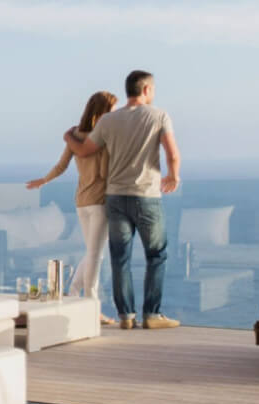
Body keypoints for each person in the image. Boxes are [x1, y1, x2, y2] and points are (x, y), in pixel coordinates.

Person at [63, 70, 181, 330]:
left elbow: (83, 150)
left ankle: (126, 316)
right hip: (146, 196)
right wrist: (174, 176)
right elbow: (172, 153)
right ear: (147, 89)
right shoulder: (159, 116)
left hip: (115, 197)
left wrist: (69, 137)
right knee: (156, 254)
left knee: (120, 258)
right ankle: (152, 315)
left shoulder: (108, 121)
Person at [26, 90, 118, 325]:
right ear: (104, 111)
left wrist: (43, 181)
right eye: (113, 110)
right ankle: (91, 307)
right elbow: (105, 172)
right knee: (96, 255)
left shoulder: (76, 135)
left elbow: (62, 165)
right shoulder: (104, 136)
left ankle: (73, 294)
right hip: (100, 202)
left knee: (91, 252)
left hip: (81, 202)